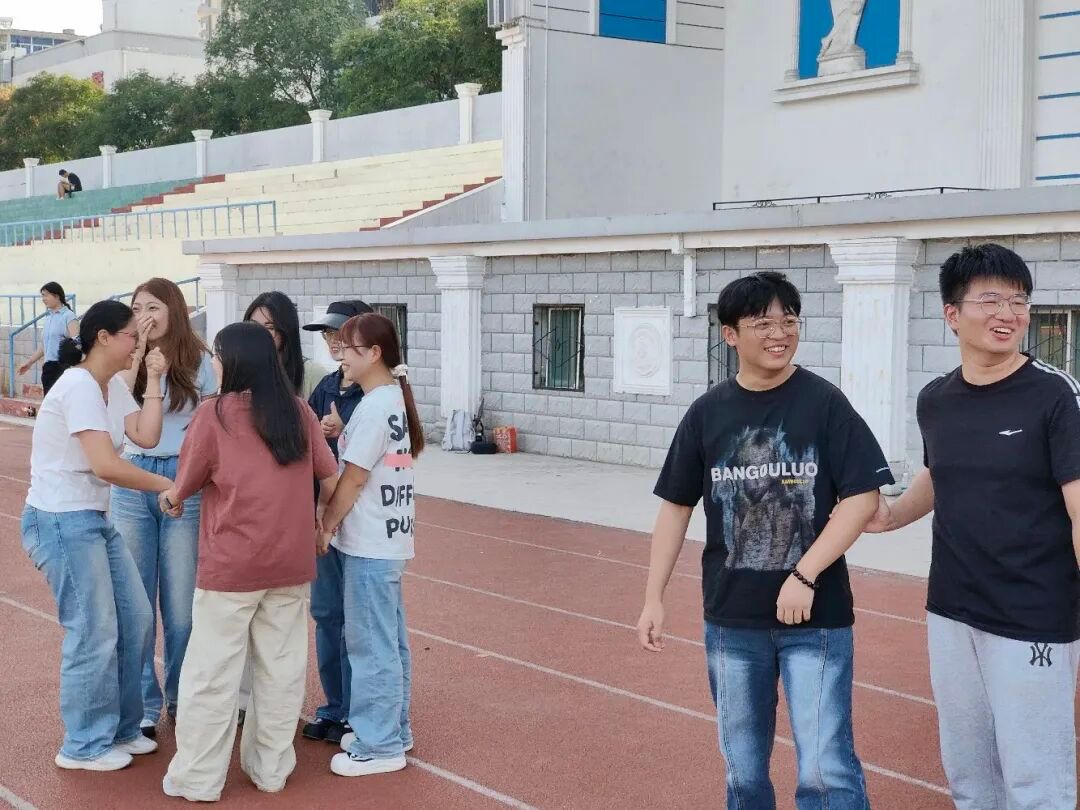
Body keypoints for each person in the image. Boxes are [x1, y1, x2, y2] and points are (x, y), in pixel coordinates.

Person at [636, 271, 893, 807]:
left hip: (817, 621)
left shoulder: (824, 403)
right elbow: (676, 506)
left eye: (789, 320)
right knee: (744, 771)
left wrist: (805, 574)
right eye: (763, 323)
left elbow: (862, 497)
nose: (780, 333)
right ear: (730, 334)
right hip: (733, 621)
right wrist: (653, 596)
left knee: (825, 769)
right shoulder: (707, 413)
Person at [863, 243, 1080, 809]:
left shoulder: (1056, 395)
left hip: (1033, 612)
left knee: (1034, 778)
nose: (1008, 313)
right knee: (968, 771)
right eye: (991, 300)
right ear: (952, 313)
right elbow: (939, 475)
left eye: (1019, 301)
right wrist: (890, 516)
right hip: (952, 609)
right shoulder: (936, 399)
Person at [160, 322, 338, 801]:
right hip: (290, 563)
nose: (213, 364)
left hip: (231, 566)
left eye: (216, 356)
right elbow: (329, 476)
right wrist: (323, 524)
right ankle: (271, 769)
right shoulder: (298, 410)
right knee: (280, 672)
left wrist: (170, 500)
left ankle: (198, 777)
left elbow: (186, 483)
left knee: (211, 675)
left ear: (233, 361)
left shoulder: (213, 414)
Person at [19, 300, 172, 771]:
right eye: (131, 335)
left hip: (92, 519)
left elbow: (146, 436)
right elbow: (106, 465)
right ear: (103, 337)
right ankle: (83, 744)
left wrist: (155, 378)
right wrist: (166, 485)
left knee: (136, 617)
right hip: (61, 519)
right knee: (93, 628)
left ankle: (122, 728)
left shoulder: (111, 387)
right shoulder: (79, 386)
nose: (137, 343)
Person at [109, 278, 218, 739]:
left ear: (174, 309)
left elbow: (213, 424)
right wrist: (138, 358)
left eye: (153, 307)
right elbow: (118, 404)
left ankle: (181, 697)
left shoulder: (200, 360)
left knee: (181, 606)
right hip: (134, 477)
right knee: (135, 602)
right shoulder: (125, 359)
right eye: (136, 308)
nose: (144, 316)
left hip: (183, 480)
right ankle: (142, 706)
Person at [319, 311, 424, 777]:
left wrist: (327, 525)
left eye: (350, 347)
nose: (341, 355)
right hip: (388, 539)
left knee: (370, 645)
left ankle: (379, 744)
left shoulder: (376, 406)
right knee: (388, 642)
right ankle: (393, 730)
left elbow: (354, 478)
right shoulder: (390, 399)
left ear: (375, 353)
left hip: (370, 542)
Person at [299, 299, 373, 745]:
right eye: (327, 334)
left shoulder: (379, 392)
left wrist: (342, 430)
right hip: (325, 514)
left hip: (361, 518)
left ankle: (359, 710)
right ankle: (334, 705)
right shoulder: (325, 386)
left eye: (339, 334)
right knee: (327, 614)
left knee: (359, 620)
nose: (332, 342)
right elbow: (305, 443)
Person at [244, 291, 326, 399]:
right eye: (253, 326)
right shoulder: (240, 373)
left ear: (286, 330)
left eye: (270, 328)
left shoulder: (313, 375)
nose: (259, 334)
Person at [17, 282, 79, 395]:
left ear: (57, 296)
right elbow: (44, 346)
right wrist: (29, 363)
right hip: (48, 367)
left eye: (46, 295)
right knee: (49, 402)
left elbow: (77, 343)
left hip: (63, 367)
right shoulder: (49, 317)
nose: (43, 299)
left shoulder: (68, 316)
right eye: (42, 296)